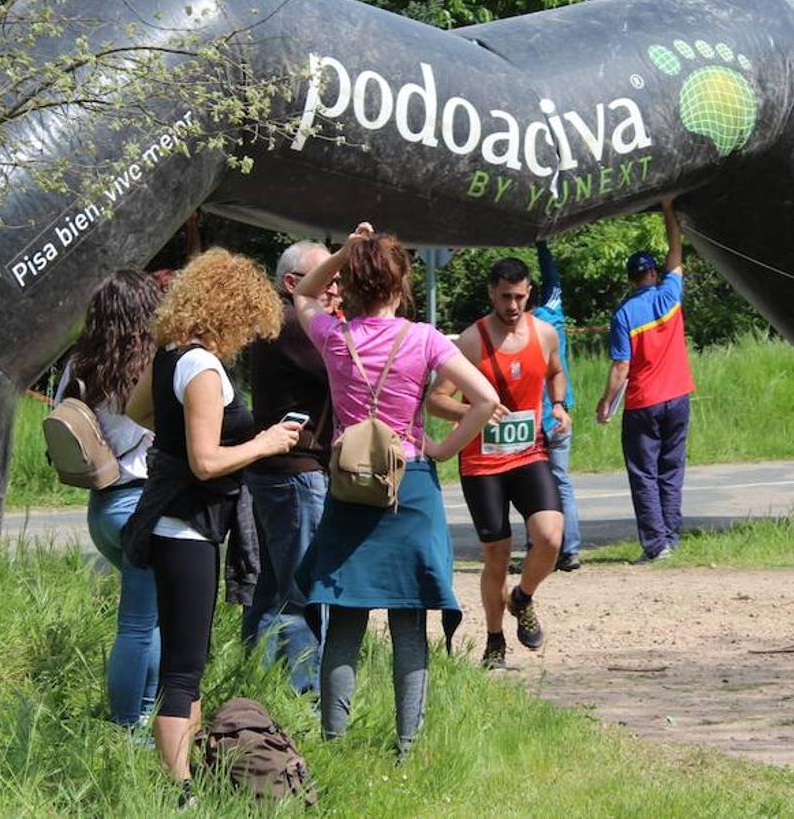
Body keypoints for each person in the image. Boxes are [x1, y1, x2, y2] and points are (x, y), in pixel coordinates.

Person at [295, 223, 497, 755]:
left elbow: (304, 293)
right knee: (410, 621)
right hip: (410, 484)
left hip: (349, 488)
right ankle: (406, 747)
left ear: (353, 286)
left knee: (345, 616)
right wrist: (444, 449)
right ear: (402, 283)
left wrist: (343, 251)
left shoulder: (334, 338)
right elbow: (484, 398)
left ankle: (333, 743)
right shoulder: (424, 339)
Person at [120, 247, 301, 806]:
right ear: (230, 311)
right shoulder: (202, 366)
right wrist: (265, 442)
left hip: (179, 524)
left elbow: (136, 411)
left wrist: (176, 438)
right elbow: (205, 462)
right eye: (248, 323)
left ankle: (186, 779)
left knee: (187, 662)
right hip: (187, 528)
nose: (249, 335)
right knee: (182, 672)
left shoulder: (171, 355)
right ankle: (179, 793)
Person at [428, 257, 568, 671]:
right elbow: (436, 400)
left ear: (529, 294)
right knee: (497, 554)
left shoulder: (544, 334)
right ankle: (494, 640)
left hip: (529, 453)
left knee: (551, 537)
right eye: (505, 296)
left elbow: (556, 373)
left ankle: (522, 597)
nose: (513, 305)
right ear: (491, 292)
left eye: (520, 297)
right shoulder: (471, 341)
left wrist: (558, 405)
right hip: (482, 464)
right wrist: (472, 414)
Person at [55, 270, 162, 731]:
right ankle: (130, 726)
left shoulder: (79, 364)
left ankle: (143, 714)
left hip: (101, 506)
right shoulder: (156, 364)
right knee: (140, 625)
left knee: (150, 619)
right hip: (143, 503)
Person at [241, 241, 341, 694]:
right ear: (292, 284)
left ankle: (257, 686)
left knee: (272, 590)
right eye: (330, 278)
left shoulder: (274, 323)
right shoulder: (294, 325)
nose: (338, 288)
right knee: (301, 593)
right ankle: (306, 696)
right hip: (296, 473)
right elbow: (348, 369)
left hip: (274, 472)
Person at [597, 197, 694, 563]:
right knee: (671, 470)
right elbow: (676, 248)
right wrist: (669, 208)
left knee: (644, 474)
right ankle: (672, 536)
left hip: (643, 403)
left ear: (630, 278)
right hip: (679, 397)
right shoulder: (670, 293)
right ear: (653, 273)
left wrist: (606, 402)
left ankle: (656, 545)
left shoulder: (624, 313)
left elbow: (621, 367)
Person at [531, 240, 581, 571]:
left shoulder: (521, 327)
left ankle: (539, 548)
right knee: (561, 480)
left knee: (532, 484)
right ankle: (571, 549)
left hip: (534, 414)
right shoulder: (554, 315)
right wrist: (542, 244)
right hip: (560, 409)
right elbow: (554, 280)